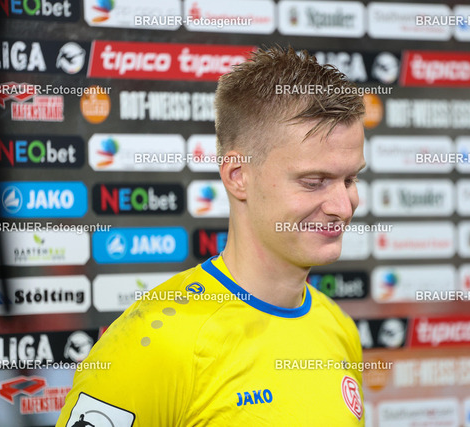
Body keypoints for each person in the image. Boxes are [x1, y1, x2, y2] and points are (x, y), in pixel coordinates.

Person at [57, 45, 366, 426]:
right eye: (314, 181)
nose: (344, 206)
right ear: (238, 176)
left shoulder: (337, 327)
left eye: (350, 179)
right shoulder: (153, 342)